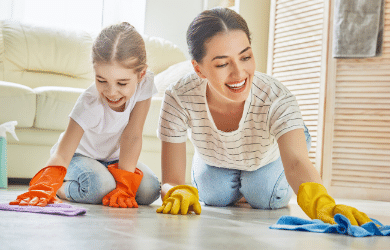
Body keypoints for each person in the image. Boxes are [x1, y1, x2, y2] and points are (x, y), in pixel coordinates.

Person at [156, 7, 372, 226]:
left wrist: (322, 202)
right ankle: (238, 180)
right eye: (222, 64)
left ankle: (250, 184)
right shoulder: (178, 97)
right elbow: (171, 180)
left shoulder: (275, 97)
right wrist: (174, 191)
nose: (239, 73)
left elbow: (296, 162)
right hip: (217, 154)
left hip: (271, 152)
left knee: (263, 195)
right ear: (199, 69)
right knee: (213, 198)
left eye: (245, 57)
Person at [10, 22, 160, 208]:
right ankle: (61, 188)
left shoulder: (145, 84)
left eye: (122, 83)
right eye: (101, 80)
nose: (111, 92)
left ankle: (110, 180)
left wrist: (125, 186)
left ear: (141, 74)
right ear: (94, 71)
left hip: (113, 159)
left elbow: (133, 134)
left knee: (150, 190)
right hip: (78, 158)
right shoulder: (89, 103)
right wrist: (45, 186)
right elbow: (63, 153)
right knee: (98, 186)